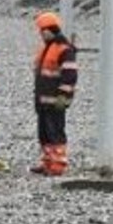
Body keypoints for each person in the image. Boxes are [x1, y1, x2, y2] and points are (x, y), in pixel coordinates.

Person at [30, 11, 78, 176]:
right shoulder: (48, 48)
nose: (41, 34)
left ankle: (57, 164)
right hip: (44, 100)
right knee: (44, 132)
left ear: (49, 30)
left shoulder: (64, 50)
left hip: (54, 100)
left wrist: (63, 96)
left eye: (42, 30)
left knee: (55, 131)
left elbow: (70, 75)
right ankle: (48, 162)